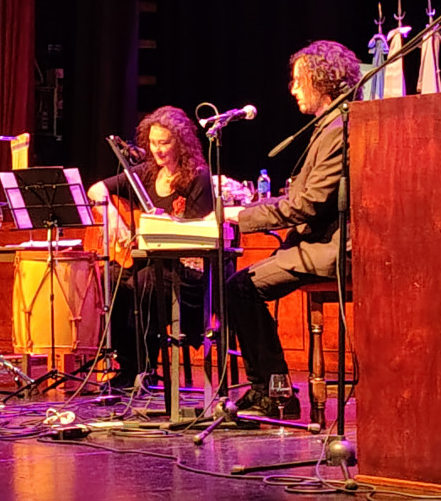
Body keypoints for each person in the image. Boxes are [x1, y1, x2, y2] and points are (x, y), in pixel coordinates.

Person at [224, 40, 361, 419]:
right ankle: (271, 388)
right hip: (315, 242)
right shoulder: (329, 126)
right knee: (239, 286)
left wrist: (242, 216)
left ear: (321, 80)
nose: (293, 88)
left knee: (241, 287)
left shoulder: (337, 128)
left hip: (333, 248)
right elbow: (301, 196)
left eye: (299, 80)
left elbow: (307, 204)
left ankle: (275, 393)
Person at [87, 106, 214, 388]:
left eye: (165, 143)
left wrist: (163, 225)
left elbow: (195, 236)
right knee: (111, 278)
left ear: (181, 143)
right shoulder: (145, 173)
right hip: (151, 265)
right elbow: (97, 189)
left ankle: (143, 369)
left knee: (142, 284)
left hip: (185, 273)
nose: (158, 150)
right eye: (154, 143)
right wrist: (114, 221)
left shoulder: (198, 178)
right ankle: (127, 364)